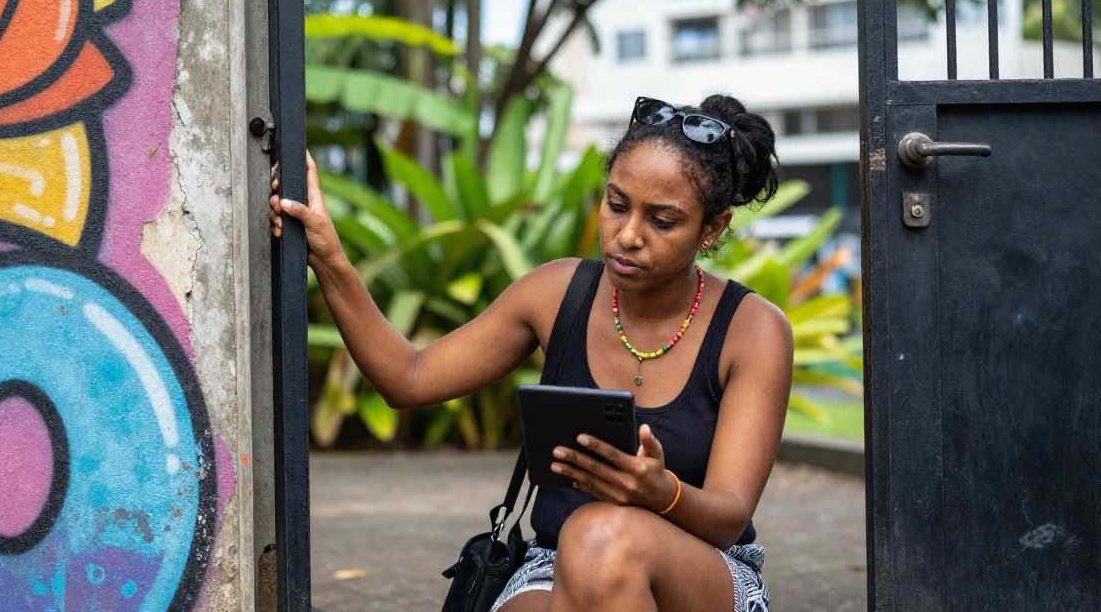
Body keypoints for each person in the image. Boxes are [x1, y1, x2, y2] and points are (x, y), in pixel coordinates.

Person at [269, 94, 793, 612]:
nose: (627, 235)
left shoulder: (752, 329)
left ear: (712, 228)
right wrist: (331, 260)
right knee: (579, 552)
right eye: (615, 205)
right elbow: (410, 377)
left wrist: (661, 492)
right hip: (555, 560)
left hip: (705, 571)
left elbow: (727, 516)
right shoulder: (555, 293)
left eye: (662, 220)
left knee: (599, 535)